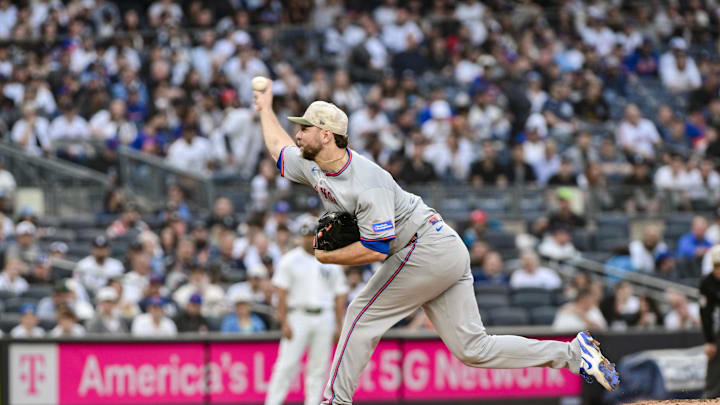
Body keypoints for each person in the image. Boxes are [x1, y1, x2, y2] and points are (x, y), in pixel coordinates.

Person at [253, 80, 619, 404]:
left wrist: (328, 259)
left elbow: (375, 249)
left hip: (422, 246)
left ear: (327, 135)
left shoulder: (368, 181)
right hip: (439, 249)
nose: (298, 134)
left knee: (359, 314)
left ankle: (334, 401)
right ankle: (575, 354)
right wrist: (265, 108)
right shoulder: (313, 163)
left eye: (305, 128)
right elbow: (277, 148)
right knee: (473, 349)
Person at [266, 217, 348, 405]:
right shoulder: (290, 260)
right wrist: (284, 321)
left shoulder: (330, 257)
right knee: (286, 365)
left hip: (324, 316)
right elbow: (281, 293)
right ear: (299, 237)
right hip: (297, 316)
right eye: (305, 235)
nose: (308, 239)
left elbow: (340, 294)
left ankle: (312, 402)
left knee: (319, 368)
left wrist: (338, 323)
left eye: (312, 235)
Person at [700, 245, 720, 398]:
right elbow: (705, 312)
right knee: (714, 354)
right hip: (717, 324)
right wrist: (709, 340)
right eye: (716, 266)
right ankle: (710, 395)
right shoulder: (707, 283)